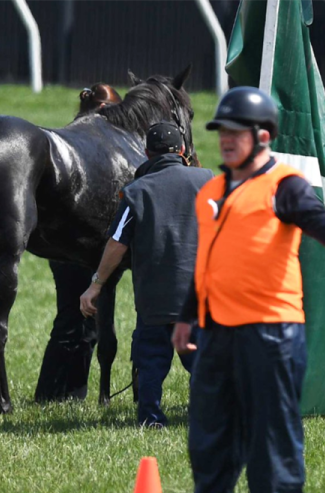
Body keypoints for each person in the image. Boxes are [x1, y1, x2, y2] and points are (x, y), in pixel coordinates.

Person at [173, 87, 325, 493]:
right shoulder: (210, 192)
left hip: (272, 331)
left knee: (273, 430)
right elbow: (207, 261)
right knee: (209, 428)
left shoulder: (285, 186)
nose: (227, 139)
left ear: (264, 135)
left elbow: (320, 221)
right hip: (216, 330)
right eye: (222, 131)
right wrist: (186, 317)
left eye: (238, 131)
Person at [79, 121, 214, 426]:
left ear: (146, 153)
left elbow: (116, 245)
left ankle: (151, 416)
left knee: (151, 361)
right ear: (182, 151)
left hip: (155, 300)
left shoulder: (137, 192)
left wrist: (96, 285)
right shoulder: (208, 181)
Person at [34, 83, 123, 402]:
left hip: (57, 243)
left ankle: (54, 393)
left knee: (68, 317)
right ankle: (67, 394)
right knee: (81, 321)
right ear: (105, 111)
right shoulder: (99, 143)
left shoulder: (76, 135)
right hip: (83, 247)